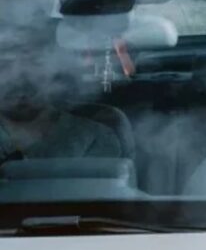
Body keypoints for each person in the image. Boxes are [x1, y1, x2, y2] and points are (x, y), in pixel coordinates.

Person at [0, 34, 123, 163]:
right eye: (5, 63)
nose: (19, 74)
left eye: (35, 62)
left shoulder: (93, 137)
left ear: (56, 69)